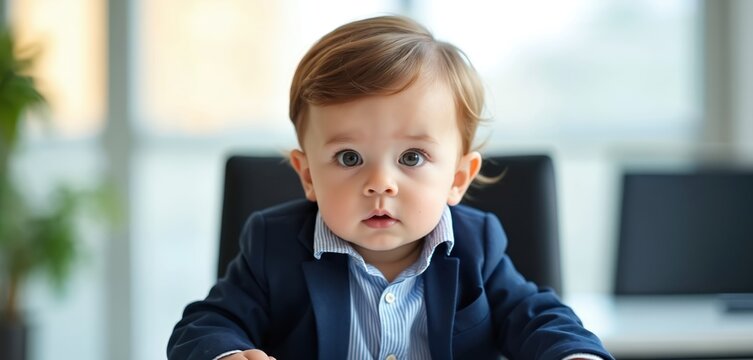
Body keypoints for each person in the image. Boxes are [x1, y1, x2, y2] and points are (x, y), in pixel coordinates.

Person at [168, 15, 613, 360]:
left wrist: (572, 353)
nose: (380, 182)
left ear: (458, 178)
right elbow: (205, 324)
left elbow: (537, 316)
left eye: (412, 158)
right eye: (349, 158)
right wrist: (226, 352)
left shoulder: (478, 246)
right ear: (307, 176)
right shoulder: (274, 245)